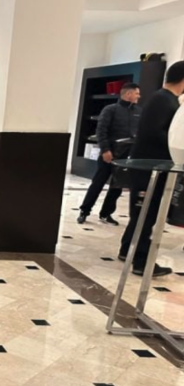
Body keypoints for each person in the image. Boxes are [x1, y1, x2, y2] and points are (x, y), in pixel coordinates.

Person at [119, 61, 184, 277]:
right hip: (148, 169)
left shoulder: (167, 100)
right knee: (145, 214)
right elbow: (153, 133)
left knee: (143, 213)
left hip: (154, 168)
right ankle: (141, 262)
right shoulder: (162, 100)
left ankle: (127, 250)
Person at [78, 82, 142, 225]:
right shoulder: (110, 109)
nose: (139, 96)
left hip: (126, 156)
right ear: (128, 94)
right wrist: (105, 150)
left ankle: (106, 214)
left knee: (117, 186)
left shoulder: (139, 111)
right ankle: (84, 211)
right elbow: (101, 131)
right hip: (109, 153)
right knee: (98, 183)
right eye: (137, 93)